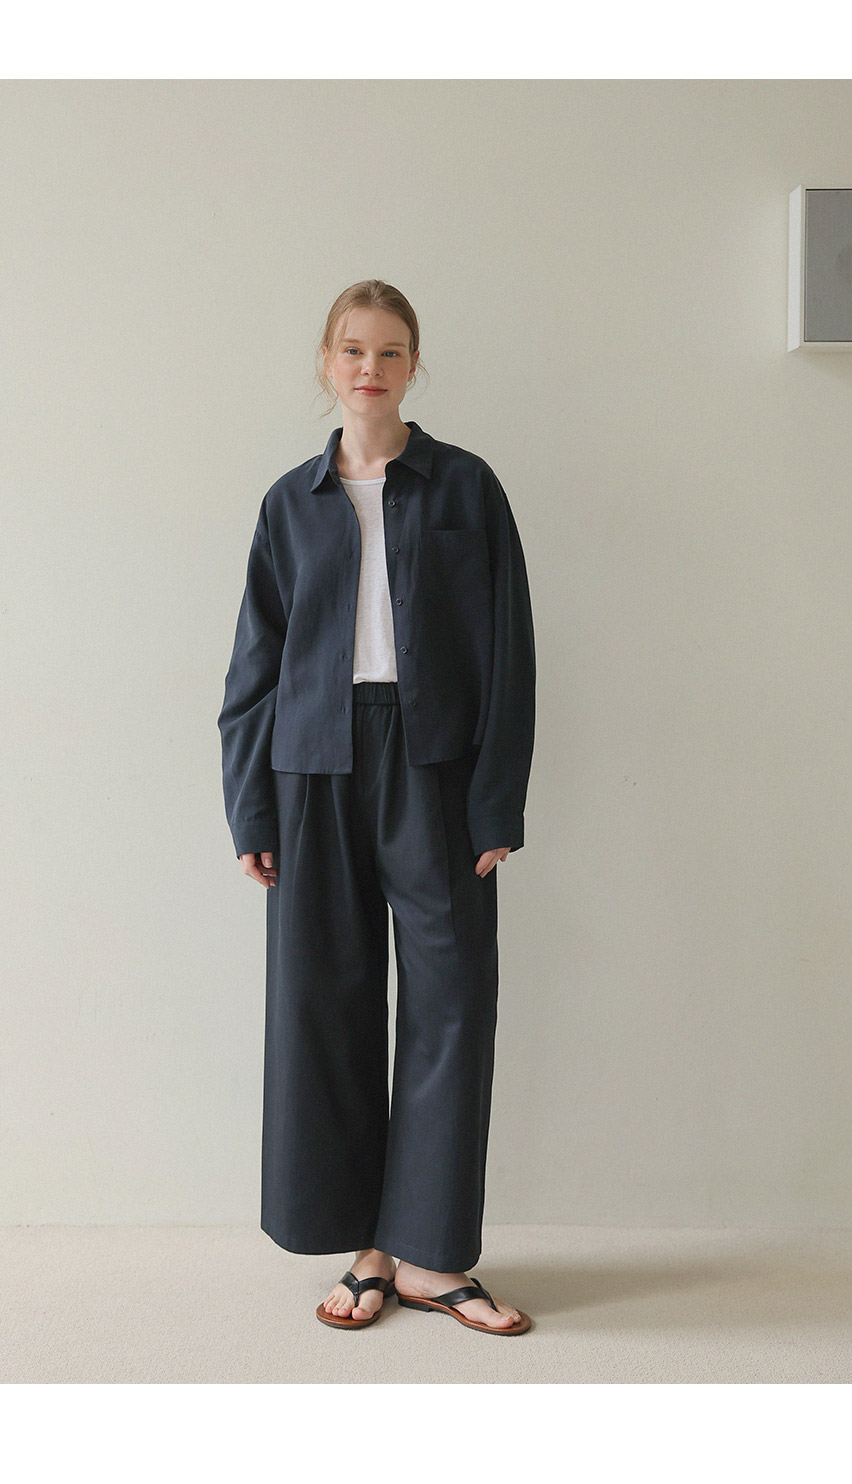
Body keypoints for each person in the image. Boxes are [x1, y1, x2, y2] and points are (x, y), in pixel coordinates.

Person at [218, 279, 536, 1336]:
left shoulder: (467, 488)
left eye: (391, 351)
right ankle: (366, 1247)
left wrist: (495, 802)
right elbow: (252, 672)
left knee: (452, 1000)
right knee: (329, 1003)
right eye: (353, 349)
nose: (371, 367)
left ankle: (434, 1258)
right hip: (313, 767)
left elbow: (510, 652)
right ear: (326, 362)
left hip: (435, 764)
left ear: (413, 366)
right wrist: (251, 810)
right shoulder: (288, 504)